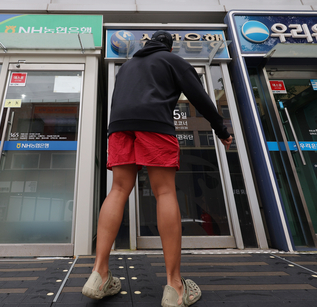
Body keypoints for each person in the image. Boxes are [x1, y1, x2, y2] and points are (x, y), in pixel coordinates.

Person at [82, 30, 233, 307]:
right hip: (154, 124)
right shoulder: (171, 61)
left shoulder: (127, 66)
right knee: (164, 193)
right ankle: (175, 286)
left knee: (117, 190)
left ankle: (98, 273)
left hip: (119, 127)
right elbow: (199, 96)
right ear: (169, 46)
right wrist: (221, 129)